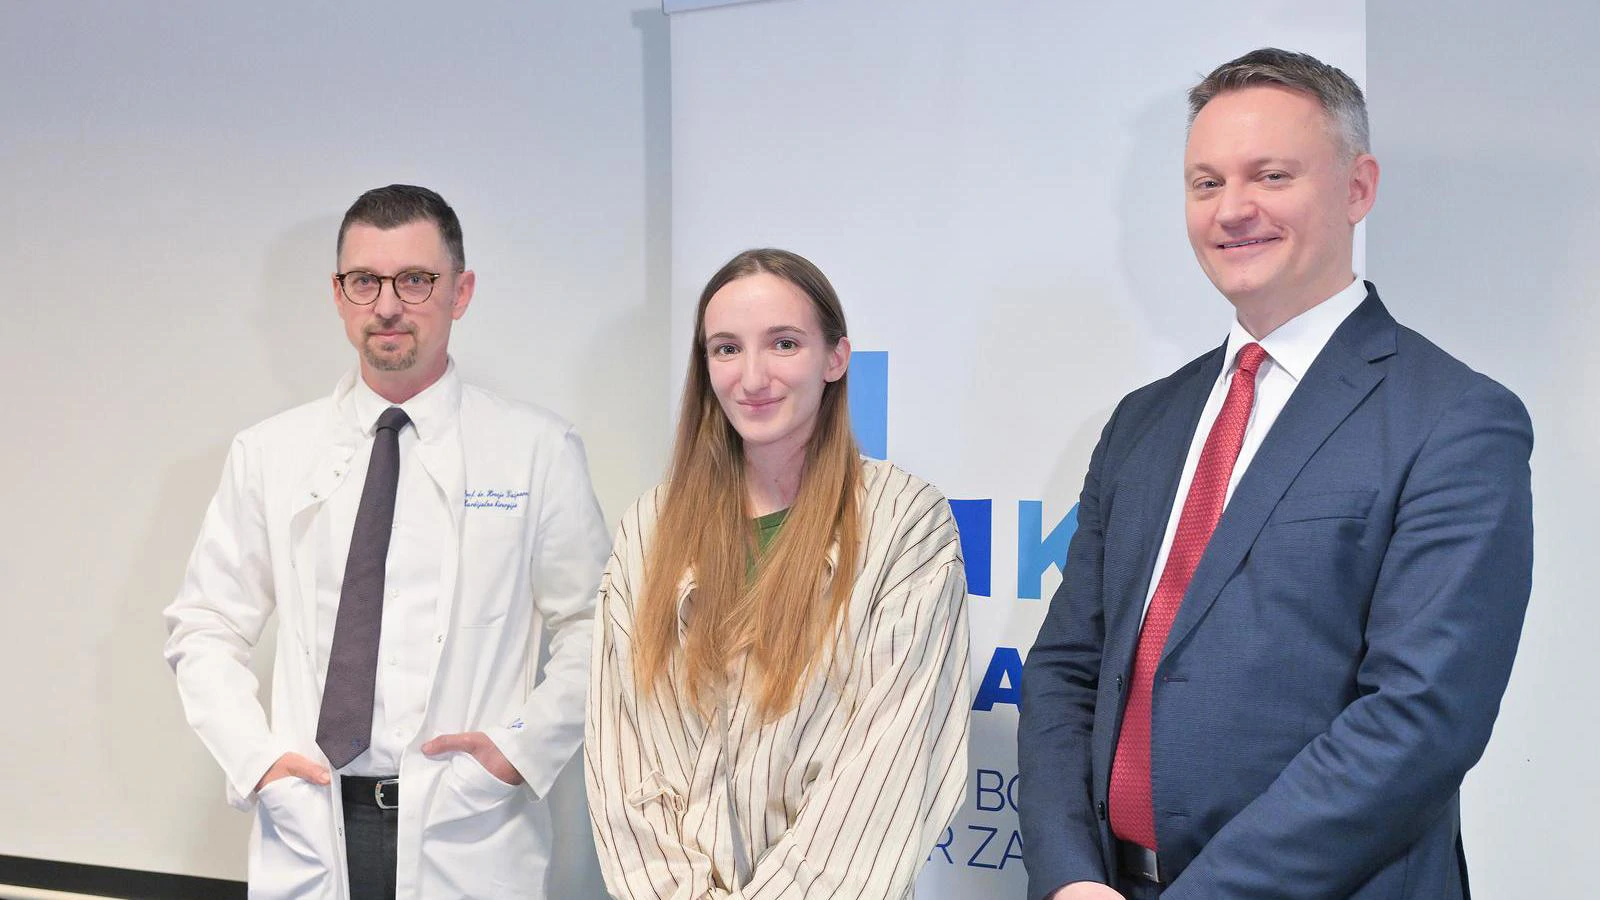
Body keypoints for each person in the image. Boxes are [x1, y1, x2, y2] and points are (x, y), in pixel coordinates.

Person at [1017, 49, 1534, 900]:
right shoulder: (1143, 421)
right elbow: (1067, 668)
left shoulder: (1455, 419)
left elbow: (1419, 720)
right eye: (1206, 183)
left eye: (1271, 175)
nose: (1233, 209)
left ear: (1358, 187)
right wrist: (1071, 876)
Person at [164, 184, 609, 900]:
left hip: (467, 823)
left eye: (416, 280)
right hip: (313, 817)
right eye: (365, 281)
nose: (388, 305)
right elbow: (205, 624)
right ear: (339, 295)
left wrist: (519, 748)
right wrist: (257, 761)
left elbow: (597, 625)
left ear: (461, 292)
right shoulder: (270, 452)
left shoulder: (536, 450)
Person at [586, 248, 970, 899]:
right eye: (727, 349)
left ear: (835, 359)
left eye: (784, 343)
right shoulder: (649, 528)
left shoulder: (905, 523)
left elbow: (885, 779)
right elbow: (618, 759)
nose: (752, 377)